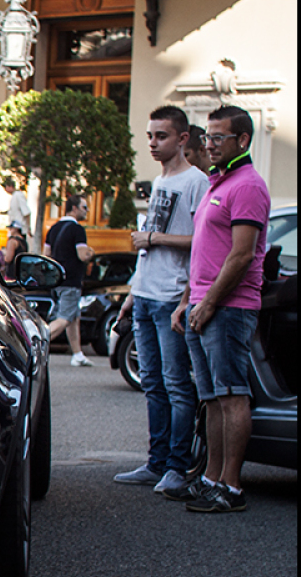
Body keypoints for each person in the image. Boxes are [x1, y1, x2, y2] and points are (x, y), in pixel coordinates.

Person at [168, 106, 271, 513]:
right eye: (206, 137)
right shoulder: (218, 182)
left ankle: (231, 486)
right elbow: (204, 252)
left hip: (228, 307)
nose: (207, 144)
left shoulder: (247, 186)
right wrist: (187, 301)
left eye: (217, 138)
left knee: (232, 396)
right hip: (203, 303)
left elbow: (241, 255)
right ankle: (210, 478)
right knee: (210, 398)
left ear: (241, 141)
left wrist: (209, 303)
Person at [112, 106, 207, 491]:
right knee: (152, 383)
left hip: (172, 296)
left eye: (161, 136)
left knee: (176, 384)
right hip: (147, 294)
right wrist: (132, 292)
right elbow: (147, 245)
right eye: (150, 136)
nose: (153, 143)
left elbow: (204, 242)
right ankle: (156, 462)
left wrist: (154, 239)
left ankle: (176, 467)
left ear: (182, 139)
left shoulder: (195, 181)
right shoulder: (160, 180)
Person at [42, 194, 95, 366]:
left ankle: (77, 354)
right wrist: (91, 253)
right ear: (74, 208)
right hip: (71, 280)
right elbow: (82, 255)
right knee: (64, 318)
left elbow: (46, 255)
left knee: (74, 318)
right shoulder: (77, 229)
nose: (86, 211)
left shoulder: (53, 228)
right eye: (84, 207)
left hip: (57, 281)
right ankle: (35, 343)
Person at [2, 177, 31, 277]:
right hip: (16, 228)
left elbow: (26, 212)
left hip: (19, 229)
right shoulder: (14, 197)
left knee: (13, 256)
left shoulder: (18, 196)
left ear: (10, 186)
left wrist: (28, 228)